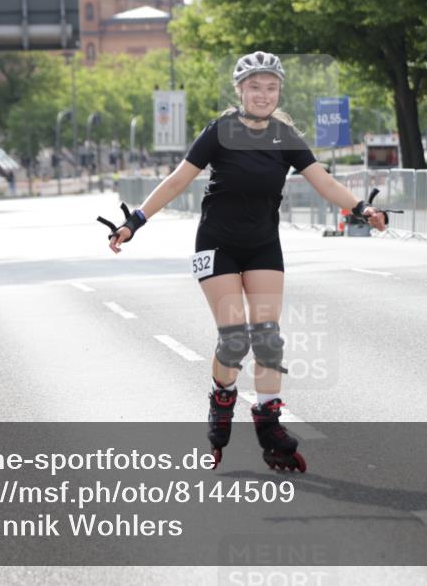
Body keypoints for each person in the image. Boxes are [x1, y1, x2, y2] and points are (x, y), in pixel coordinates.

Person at [105, 51, 388, 471]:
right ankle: (222, 396)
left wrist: (362, 209)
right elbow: (179, 179)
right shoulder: (220, 131)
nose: (263, 94)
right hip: (216, 244)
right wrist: (135, 221)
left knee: (269, 337)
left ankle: (269, 422)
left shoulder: (286, 136)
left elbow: (324, 181)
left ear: (279, 92)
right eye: (254, 86)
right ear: (240, 90)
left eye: (271, 87)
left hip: (262, 245)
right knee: (235, 338)